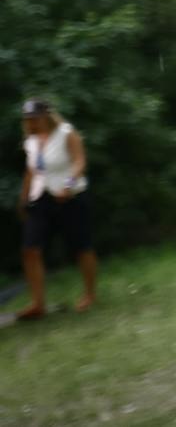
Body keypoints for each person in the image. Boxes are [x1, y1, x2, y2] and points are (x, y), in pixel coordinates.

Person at [13, 99, 98, 320]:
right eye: (28, 119)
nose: (31, 123)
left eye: (35, 118)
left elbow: (79, 162)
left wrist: (68, 185)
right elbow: (31, 171)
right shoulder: (30, 141)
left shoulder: (66, 133)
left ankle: (90, 294)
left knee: (81, 246)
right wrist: (23, 199)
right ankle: (38, 303)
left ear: (46, 116)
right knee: (30, 249)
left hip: (70, 196)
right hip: (41, 198)